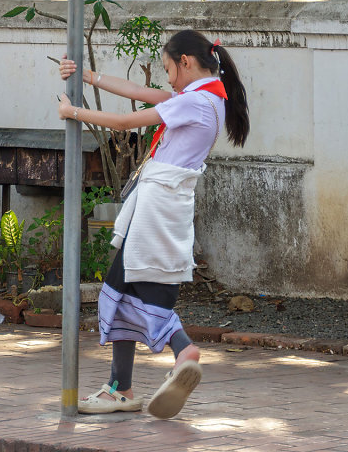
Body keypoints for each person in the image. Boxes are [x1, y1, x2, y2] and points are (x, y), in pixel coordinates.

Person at [57, 29, 250, 419]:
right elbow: (140, 93)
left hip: (158, 204)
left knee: (137, 283)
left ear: (186, 62)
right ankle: (121, 387)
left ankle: (182, 351)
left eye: (168, 69)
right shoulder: (205, 98)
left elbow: (127, 121)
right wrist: (90, 77)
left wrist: (72, 112)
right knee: (125, 287)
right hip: (166, 202)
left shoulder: (194, 102)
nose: (167, 79)